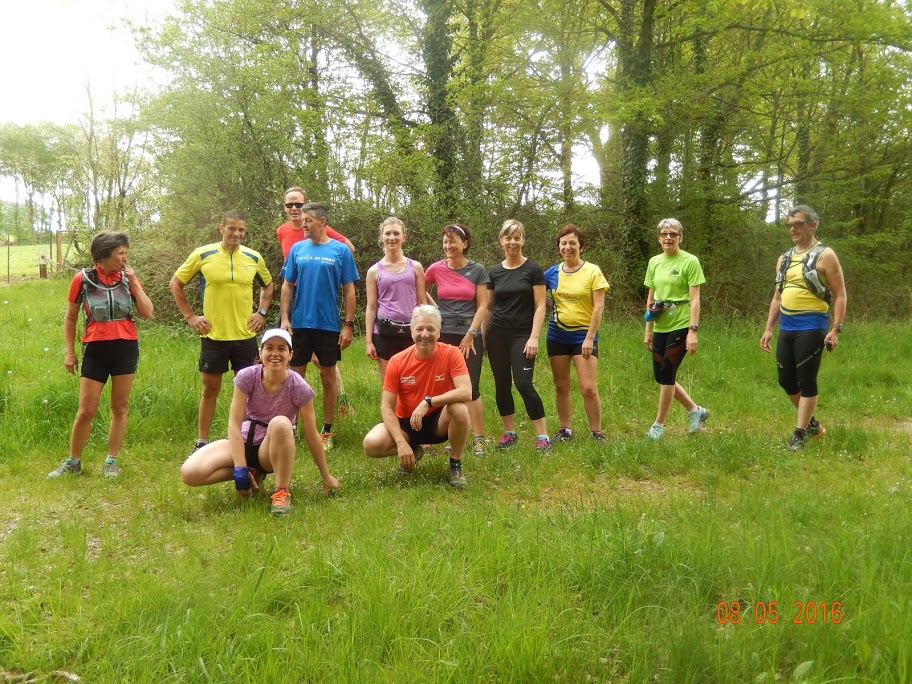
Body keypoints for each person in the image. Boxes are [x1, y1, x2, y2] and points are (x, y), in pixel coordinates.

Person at [180, 329, 340, 514]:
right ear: (260, 353)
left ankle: (281, 492)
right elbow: (234, 423)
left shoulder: (299, 387)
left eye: (281, 349)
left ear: (290, 355)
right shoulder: (247, 376)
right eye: (269, 348)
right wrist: (240, 468)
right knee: (189, 473)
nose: (275, 354)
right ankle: (250, 473)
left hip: (270, 449)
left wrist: (326, 476)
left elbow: (312, 434)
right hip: (244, 440)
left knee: (281, 423)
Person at [48, 231, 154, 479]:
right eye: (120, 253)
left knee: (119, 407)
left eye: (126, 253)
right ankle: (73, 462)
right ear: (104, 254)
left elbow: (147, 312)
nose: (124, 258)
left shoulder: (128, 278)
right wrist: (69, 353)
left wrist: (134, 281)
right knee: (86, 410)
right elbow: (70, 318)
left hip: (125, 347)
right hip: (95, 348)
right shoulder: (83, 279)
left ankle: (111, 461)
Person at [170, 212, 274, 455]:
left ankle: (249, 441)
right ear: (221, 229)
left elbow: (269, 284)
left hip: (245, 336)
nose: (236, 234)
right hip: (213, 336)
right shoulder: (202, 254)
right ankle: (201, 443)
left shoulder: (253, 257)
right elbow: (176, 283)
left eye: (241, 230)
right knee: (210, 390)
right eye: (232, 229)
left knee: (249, 391)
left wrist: (261, 312)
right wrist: (191, 317)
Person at [760, 204, 847, 451]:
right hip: (787, 326)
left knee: (806, 379)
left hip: (813, 325)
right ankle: (813, 425)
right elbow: (777, 297)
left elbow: (840, 294)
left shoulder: (825, 255)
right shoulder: (784, 258)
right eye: (789, 225)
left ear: (812, 224)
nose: (792, 229)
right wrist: (768, 328)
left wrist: (836, 329)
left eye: (797, 224)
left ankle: (799, 434)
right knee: (786, 380)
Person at [363, 305, 471, 487]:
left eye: (431, 329)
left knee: (460, 409)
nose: (425, 334)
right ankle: (413, 449)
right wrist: (400, 443)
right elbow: (387, 407)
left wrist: (429, 402)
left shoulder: (452, 353)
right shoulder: (397, 361)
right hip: (407, 424)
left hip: (439, 422)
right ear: (412, 331)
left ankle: (455, 464)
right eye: (419, 329)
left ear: (439, 332)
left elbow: (466, 391)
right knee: (371, 444)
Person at [280, 202, 359, 451]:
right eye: (302, 220)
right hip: (299, 324)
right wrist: (285, 318)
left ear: (322, 222)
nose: (302, 224)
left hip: (328, 325)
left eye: (308, 220)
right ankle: (292, 426)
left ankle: (326, 430)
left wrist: (348, 325)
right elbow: (286, 284)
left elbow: (349, 290)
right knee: (294, 377)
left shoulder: (340, 251)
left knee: (328, 376)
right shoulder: (297, 249)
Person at [424, 223, 489, 455]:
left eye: (452, 241)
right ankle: (448, 436)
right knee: (444, 386)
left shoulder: (478, 270)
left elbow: (483, 306)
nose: (448, 245)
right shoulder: (435, 268)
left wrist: (471, 334)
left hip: (469, 335)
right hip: (443, 335)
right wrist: (435, 311)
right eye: (445, 241)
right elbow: (419, 289)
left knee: (470, 387)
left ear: (465, 244)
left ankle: (479, 439)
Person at [486, 219, 550, 451]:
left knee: (523, 384)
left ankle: (543, 436)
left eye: (517, 237)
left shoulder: (533, 270)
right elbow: (488, 307)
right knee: (502, 384)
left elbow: (540, 306)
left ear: (523, 240)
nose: (512, 242)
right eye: (508, 238)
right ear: (501, 240)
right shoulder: (494, 272)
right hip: (496, 335)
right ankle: (509, 433)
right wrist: (482, 336)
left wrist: (534, 337)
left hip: (522, 335)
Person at [642, 218, 709, 439]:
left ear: (680, 237)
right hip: (660, 324)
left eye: (673, 234)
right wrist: (648, 330)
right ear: (659, 238)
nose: (668, 238)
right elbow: (651, 298)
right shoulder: (654, 262)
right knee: (660, 376)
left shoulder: (690, 261)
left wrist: (693, 331)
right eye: (664, 234)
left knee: (667, 373)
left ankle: (658, 425)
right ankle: (695, 410)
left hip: (681, 322)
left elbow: (695, 299)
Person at [544, 225, 609, 443]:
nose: (567, 247)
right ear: (558, 247)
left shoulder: (593, 271)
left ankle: (596, 432)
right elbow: (534, 293)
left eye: (572, 243)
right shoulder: (552, 273)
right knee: (561, 386)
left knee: (588, 387)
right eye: (563, 243)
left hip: (584, 337)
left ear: (581, 246)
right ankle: (565, 429)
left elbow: (598, 307)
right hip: (557, 335)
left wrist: (590, 337)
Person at [364, 217, 426, 380]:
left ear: (404, 237)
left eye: (396, 233)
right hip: (384, 332)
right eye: (388, 233)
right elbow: (371, 307)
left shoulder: (416, 267)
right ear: (382, 237)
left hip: (411, 331)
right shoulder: (374, 271)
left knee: (412, 380)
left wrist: (425, 329)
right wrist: (368, 341)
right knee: (388, 382)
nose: (392, 237)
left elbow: (422, 303)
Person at [277, 186, 355, 259]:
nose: (294, 208)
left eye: (298, 205)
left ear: (305, 206)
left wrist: (329, 263)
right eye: (289, 205)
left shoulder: (319, 228)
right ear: (285, 208)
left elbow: (350, 248)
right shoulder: (281, 231)